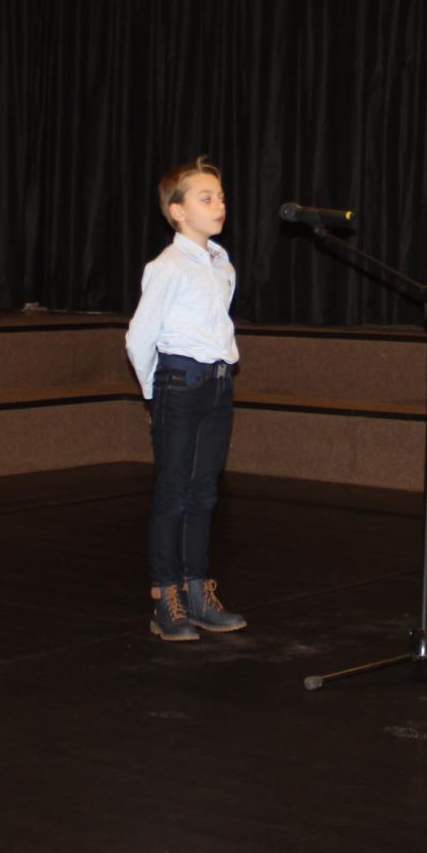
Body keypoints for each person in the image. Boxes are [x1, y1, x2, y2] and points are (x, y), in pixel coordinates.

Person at [125, 155, 248, 642]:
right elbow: (140, 337)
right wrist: (154, 392)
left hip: (217, 384)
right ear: (177, 212)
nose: (219, 205)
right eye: (206, 198)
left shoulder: (221, 263)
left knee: (204, 493)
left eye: (221, 197)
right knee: (173, 493)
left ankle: (197, 593)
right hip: (179, 384)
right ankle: (166, 598)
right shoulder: (168, 267)